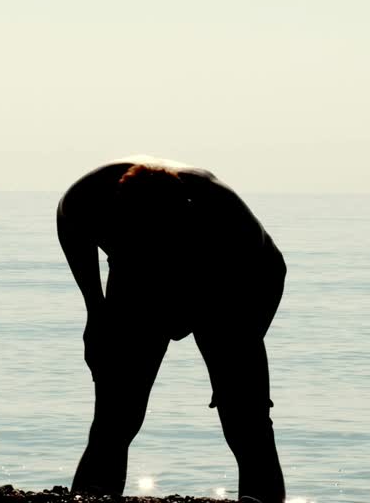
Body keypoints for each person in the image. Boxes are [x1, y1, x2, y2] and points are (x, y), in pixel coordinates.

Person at [57, 155, 287, 503]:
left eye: (164, 229)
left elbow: (272, 271)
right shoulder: (82, 203)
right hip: (135, 281)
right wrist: (96, 316)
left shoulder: (221, 209)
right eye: (144, 232)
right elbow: (88, 280)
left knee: (246, 420)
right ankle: (93, 500)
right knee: (114, 418)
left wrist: (243, 348)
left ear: (185, 208)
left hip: (221, 281)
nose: (156, 240)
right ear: (120, 215)